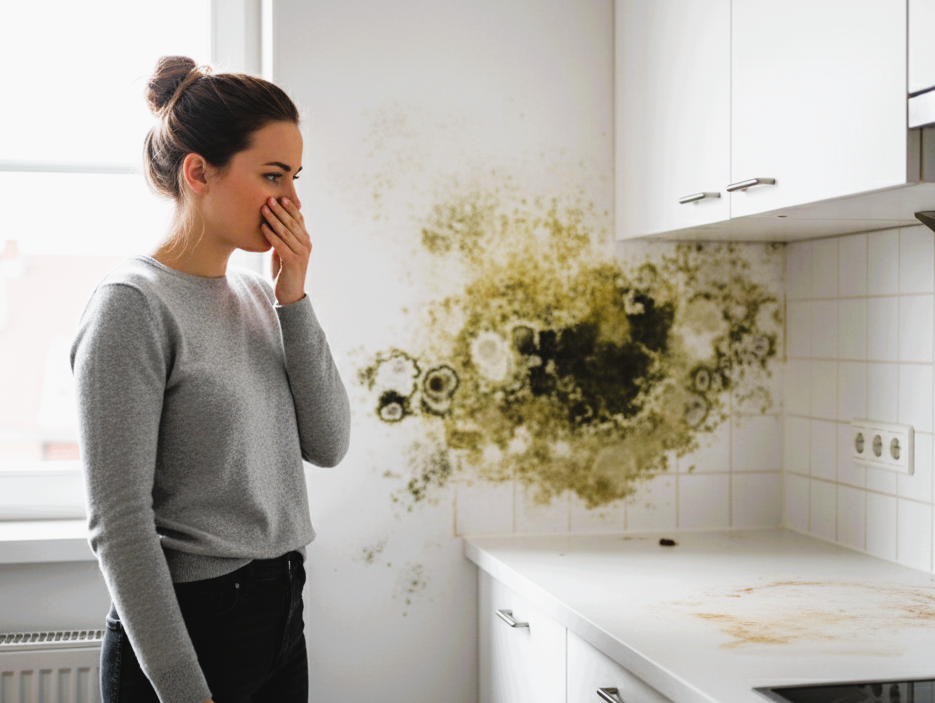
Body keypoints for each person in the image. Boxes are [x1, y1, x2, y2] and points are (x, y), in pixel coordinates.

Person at [70, 55, 351, 703]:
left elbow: (328, 442)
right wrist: (182, 687)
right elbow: (118, 523)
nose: (293, 200)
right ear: (198, 171)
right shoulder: (132, 303)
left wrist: (294, 297)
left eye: (295, 177)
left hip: (280, 606)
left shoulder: (259, 297)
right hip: (192, 626)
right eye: (273, 175)